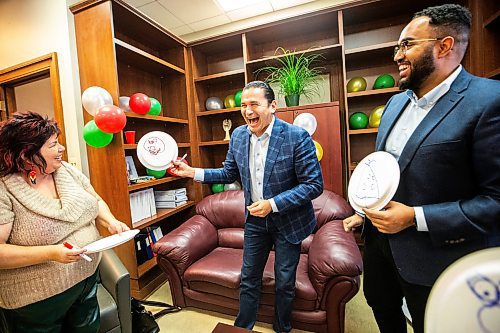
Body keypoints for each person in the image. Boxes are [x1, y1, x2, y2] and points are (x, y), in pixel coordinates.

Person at [343, 4, 500, 333]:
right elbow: (386, 174)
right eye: (397, 46)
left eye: (407, 44)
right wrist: (365, 211)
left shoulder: (489, 101)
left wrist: (415, 217)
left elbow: (495, 201)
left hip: (437, 261)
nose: (397, 55)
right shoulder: (394, 103)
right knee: (382, 310)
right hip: (379, 250)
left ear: (444, 46)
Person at [172, 81, 323, 332]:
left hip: (289, 220)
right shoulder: (239, 135)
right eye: (243, 105)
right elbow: (228, 172)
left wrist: (273, 204)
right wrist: (192, 172)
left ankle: (282, 327)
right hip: (255, 220)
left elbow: (313, 185)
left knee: (285, 281)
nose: (247, 110)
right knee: (249, 278)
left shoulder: (297, 137)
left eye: (254, 104)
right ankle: (243, 328)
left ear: (272, 106)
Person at [0, 112, 129, 332]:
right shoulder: (4, 189)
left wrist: (111, 222)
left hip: (86, 280)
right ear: (26, 154)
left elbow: (95, 201)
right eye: (53, 145)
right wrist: (52, 253)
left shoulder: (67, 171)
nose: (62, 149)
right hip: (37, 300)